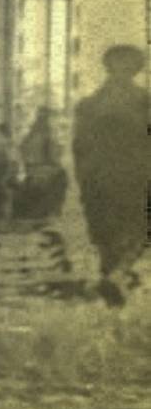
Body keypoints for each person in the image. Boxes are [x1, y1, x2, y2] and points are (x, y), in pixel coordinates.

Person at [72, 45, 151, 307]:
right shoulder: (143, 102)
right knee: (127, 230)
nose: (123, 70)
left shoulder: (90, 104)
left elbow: (79, 147)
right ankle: (116, 276)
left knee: (111, 230)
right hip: (128, 176)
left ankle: (113, 277)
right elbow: (80, 145)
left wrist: (85, 175)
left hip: (108, 176)